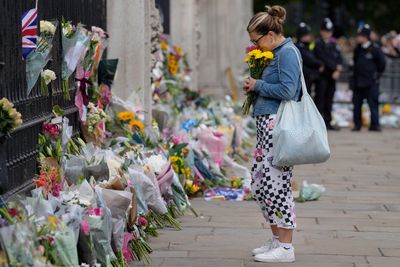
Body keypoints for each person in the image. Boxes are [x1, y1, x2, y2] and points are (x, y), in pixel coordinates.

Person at [243, 5, 301, 263]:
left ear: (269, 34)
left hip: (277, 126)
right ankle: (277, 239)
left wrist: (259, 85)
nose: (255, 46)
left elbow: (288, 90)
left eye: (256, 41)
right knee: (261, 183)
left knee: (277, 185)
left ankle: (286, 247)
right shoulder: (275, 52)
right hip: (266, 125)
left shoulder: (287, 52)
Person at [352, 24, 386, 131]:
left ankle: (375, 125)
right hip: (358, 81)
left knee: (373, 104)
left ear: (365, 36)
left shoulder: (375, 49)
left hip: (371, 82)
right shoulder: (358, 49)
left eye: (359, 36)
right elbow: (355, 62)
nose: (357, 38)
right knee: (357, 104)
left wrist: (377, 75)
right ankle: (357, 125)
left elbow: (382, 64)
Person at [314, 18, 343, 130]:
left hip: (332, 77)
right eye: (326, 31)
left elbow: (339, 58)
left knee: (329, 100)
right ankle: (318, 123)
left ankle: (327, 122)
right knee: (320, 99)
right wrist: (336, 67)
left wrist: (338, 68)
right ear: (321, 31)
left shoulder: (334, 45)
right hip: (322, 77)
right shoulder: (317, 44)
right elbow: (323, 58)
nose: (328, 34)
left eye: (330, 31)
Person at [295, 22, 324, 95]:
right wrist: (320, 64)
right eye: (306, 35)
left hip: (308, 78)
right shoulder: (298, 47)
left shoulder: (308, 46)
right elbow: (309, 59)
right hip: (302, 79)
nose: (309, 37)